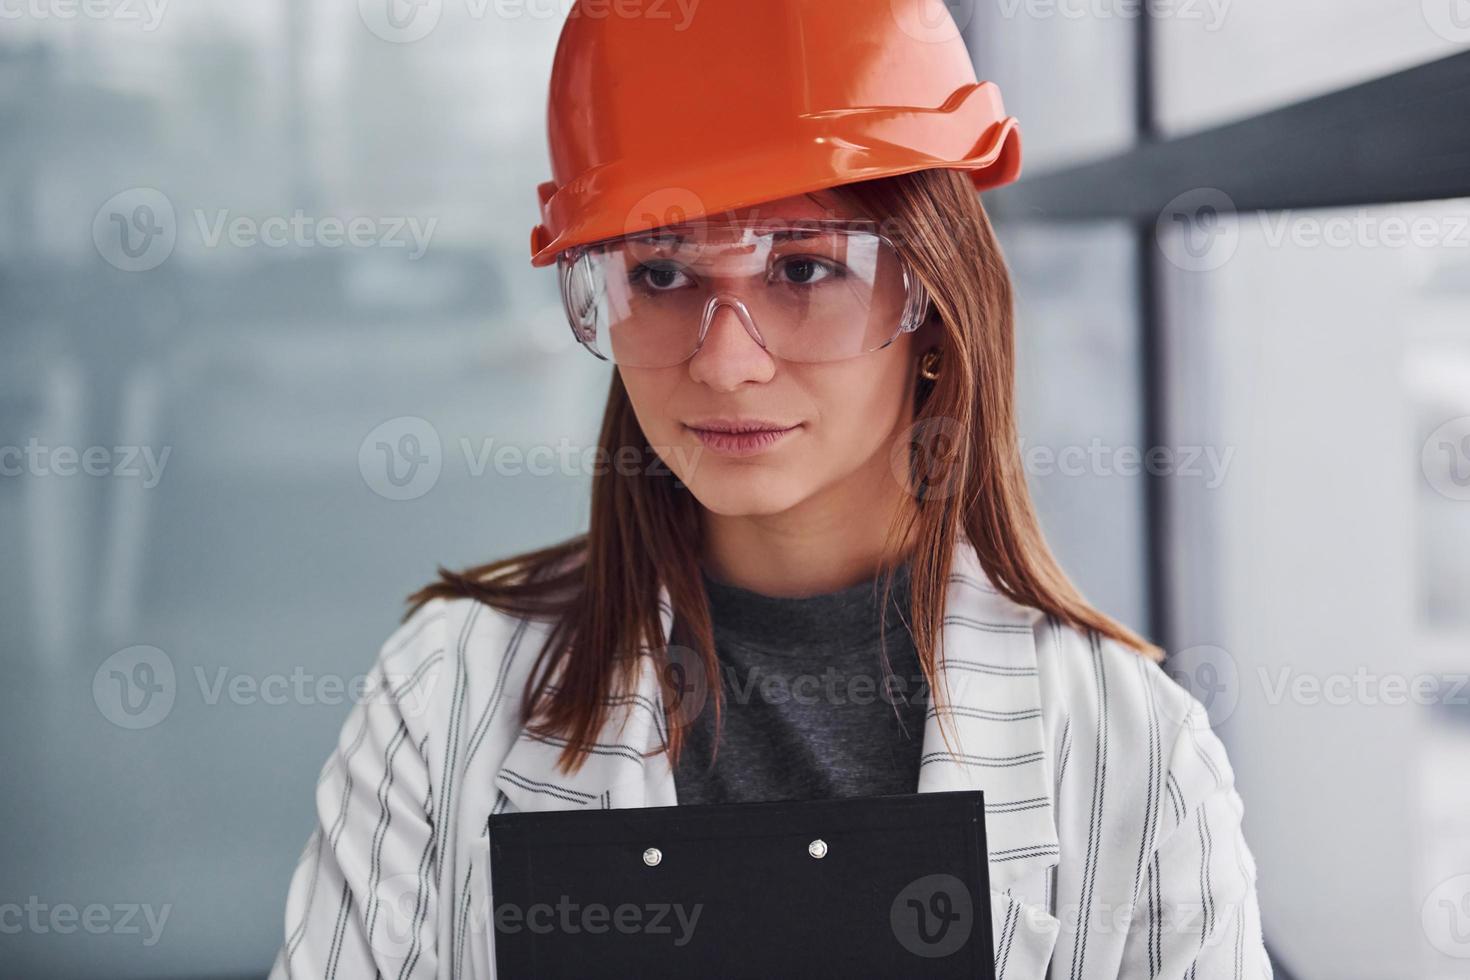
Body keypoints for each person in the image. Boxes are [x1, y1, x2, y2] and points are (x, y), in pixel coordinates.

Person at [269, 1, 1271, 977]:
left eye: (803, 267)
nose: (728, 362)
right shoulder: (445, 688)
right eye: (660, 275)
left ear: (934, 302)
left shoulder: (1135, 746)